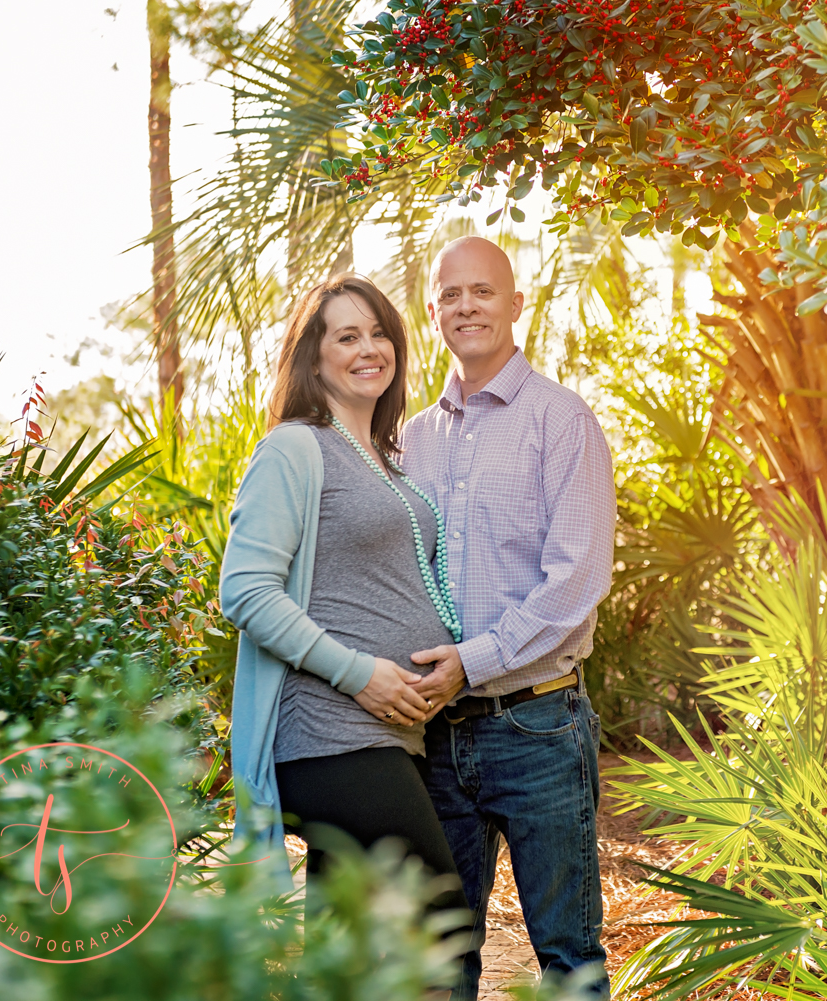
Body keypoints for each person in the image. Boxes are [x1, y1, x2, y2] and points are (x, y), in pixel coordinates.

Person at [220, 274, 471, 968]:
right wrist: (359, 673)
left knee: (353, 953)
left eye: (379, 332)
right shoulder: (295, 447)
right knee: (438, 930)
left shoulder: (389, 462)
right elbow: (244, 589)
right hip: (330, 737)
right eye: (347, 335)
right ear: (314, 356)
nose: (370, 348)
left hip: (393, 737)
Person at [399, 237, 617, 999]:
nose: (467, 307)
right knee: (441, 958)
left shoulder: (562, 420)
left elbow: (576, 582)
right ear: (432, 312)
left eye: (483, 292)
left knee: (566, 954)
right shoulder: (412, 438)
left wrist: (475, 658)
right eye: (450, 295)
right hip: (434, 732)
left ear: (515, 304)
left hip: (537, 727)